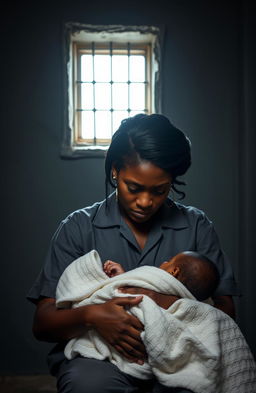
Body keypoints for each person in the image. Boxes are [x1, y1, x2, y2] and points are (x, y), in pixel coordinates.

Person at [27, 113, 240, 393]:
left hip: (180, 358)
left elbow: (225, 315)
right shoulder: (78, 227)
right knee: (88, 385)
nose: (145, 202)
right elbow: (43, 323)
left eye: (160, 190)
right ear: (115, 170)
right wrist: (93, 316)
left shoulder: (196, 227)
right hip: (101, 361)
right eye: (134, 188)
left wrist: (161, 303)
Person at [103, 251, 220, 302]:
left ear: (174, 272)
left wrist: (123, 279)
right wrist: (124, 277)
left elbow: (130, 292)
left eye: (169, 261)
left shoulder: (158, 281)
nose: (164, 262)